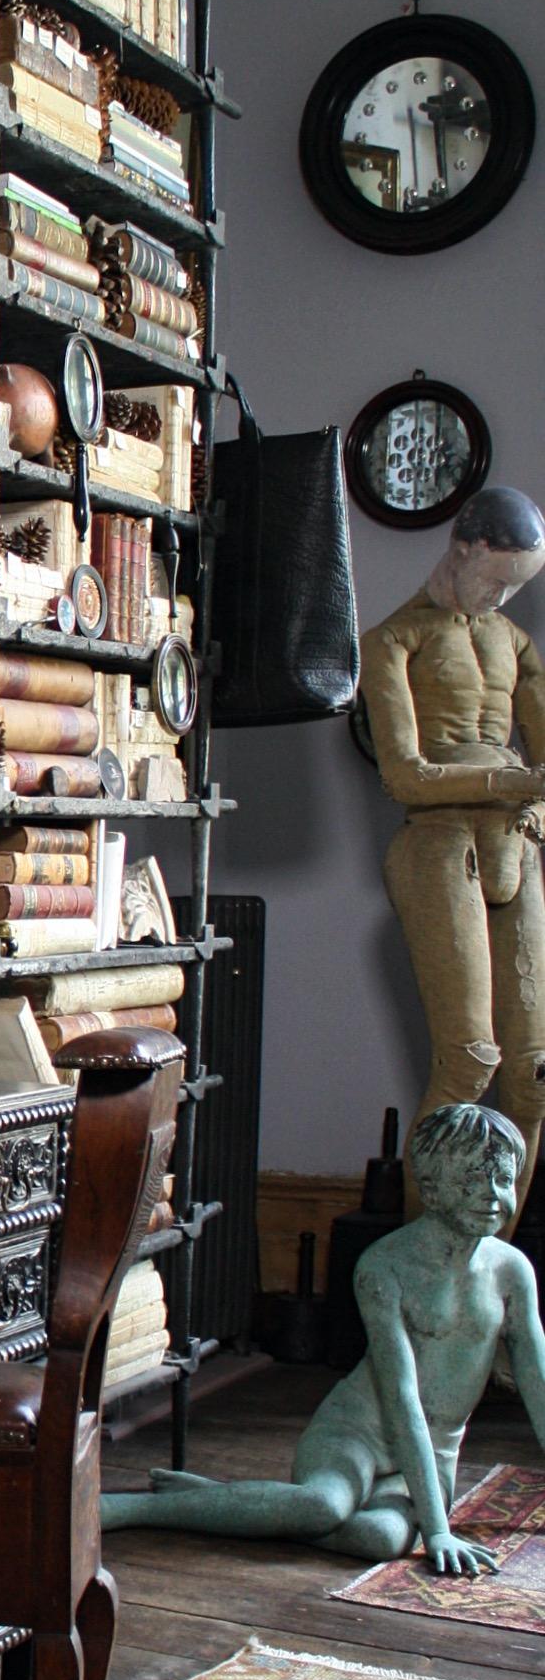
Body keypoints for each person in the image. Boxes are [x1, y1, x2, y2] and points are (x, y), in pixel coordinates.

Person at [102, 1102, 545, 1572]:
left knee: (381, 1539)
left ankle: (234, 1503)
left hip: (432, 1452)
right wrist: (437, 1530)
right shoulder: (386, 1264)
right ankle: (138, 1508)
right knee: (323, 1506)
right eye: (472, 1181)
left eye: (504, 1180)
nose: (493, 1196)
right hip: (356, 1433)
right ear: (432, 1188)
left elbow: (537, 1379)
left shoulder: (511, 1271)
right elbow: (401, 1397)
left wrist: (434, 1524)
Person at [360, 484, 545, 1209]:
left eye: (518, 587)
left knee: (532, 1071)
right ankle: (424, 1250)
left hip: (516, 844)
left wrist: (527, 802)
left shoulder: (515, 643)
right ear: (465, 548)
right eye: (497, 579)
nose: (502, 597)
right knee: (470, 1059)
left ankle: (487, 1264)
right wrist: (514, 782)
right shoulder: (393, 641)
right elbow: (404, 777)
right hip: (439, 846)